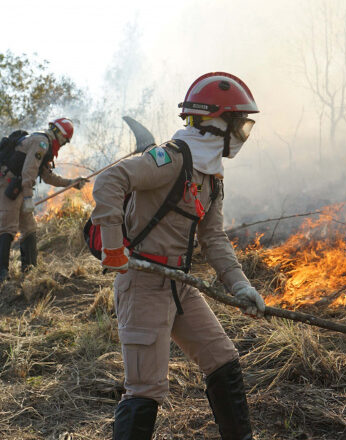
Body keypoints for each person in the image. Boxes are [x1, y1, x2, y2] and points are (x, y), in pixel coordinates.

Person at [91, 72, 265, 440]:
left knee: (223, 361)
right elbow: (109, 181)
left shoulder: (212, 177)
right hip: (142, 284)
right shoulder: (169, 159)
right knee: (146, 390)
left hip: (179, 285)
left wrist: (241, 286)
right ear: (218, 123)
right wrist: (112, 247)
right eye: (241, 125)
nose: (243, 135)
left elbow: (214, 237)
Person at [0, 118, 87, 281]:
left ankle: (29, 270)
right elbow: (29, 172)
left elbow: (47, 176)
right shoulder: (41, 143)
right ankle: (0, 275)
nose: (64, 144)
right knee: (8, 227)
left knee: (29, 228)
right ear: (58, 134)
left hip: (18, 187)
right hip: (7, 185)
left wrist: (71, 183)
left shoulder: (45, 145)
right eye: (64, 140)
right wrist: (28, 198)